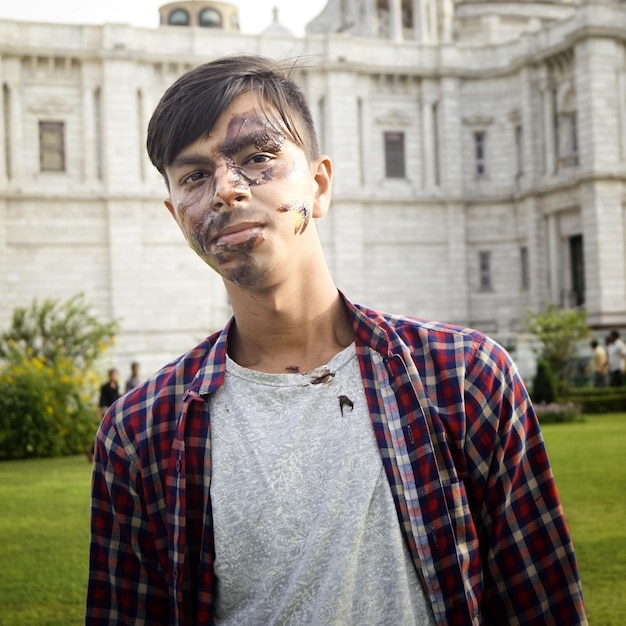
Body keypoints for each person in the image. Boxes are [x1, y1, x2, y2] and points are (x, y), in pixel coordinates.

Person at [86, 55, 587, 625]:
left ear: (319, 185)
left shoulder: (465, 378)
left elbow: (542, 606)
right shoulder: (139, 434)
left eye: (258, 158)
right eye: (196, 176)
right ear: (180, 218)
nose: (227, 189)